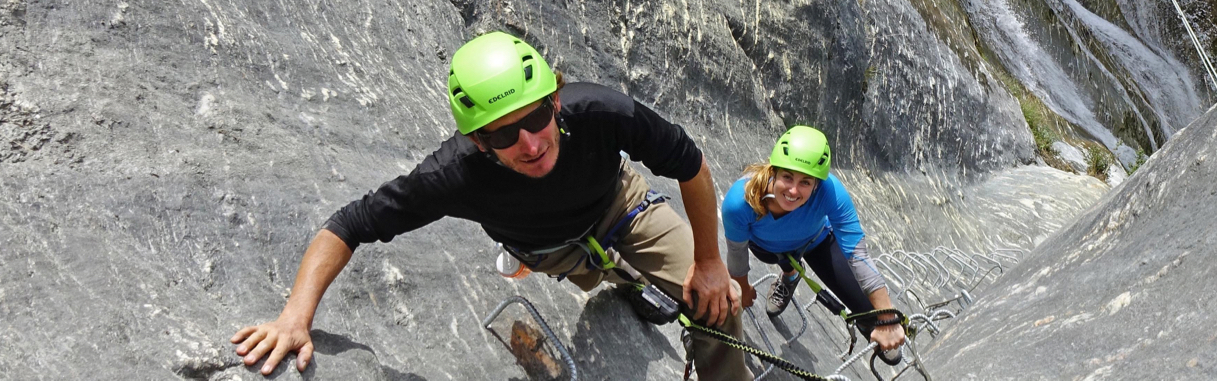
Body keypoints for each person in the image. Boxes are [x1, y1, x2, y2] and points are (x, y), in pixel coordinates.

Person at [230, 32, 749, 379]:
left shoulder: (599, 111)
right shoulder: (453, 175)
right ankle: (630, 281)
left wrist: (708, 263)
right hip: (549, 249)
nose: (530, 143)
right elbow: (350, 224)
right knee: (608, 272)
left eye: (537, 117)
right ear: (478, 140)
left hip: (621, 206)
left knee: (716, 304)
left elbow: (691, 165)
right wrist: (295, 315)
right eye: (504, 133)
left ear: (555, 100)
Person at [722, 126, 907, 364]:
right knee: (772, 256)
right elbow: (737, 251)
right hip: (769, 248)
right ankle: (789, 275)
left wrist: (887, 317)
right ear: (774, 171)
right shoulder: (740, 201)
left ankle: (792, 273)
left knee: (869, 310)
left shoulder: (832, 192)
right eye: (787, 177)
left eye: (805, 182)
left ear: (817, 184)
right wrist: (741, 288)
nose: (793, 190)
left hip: (816, 241)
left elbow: (857, 253)